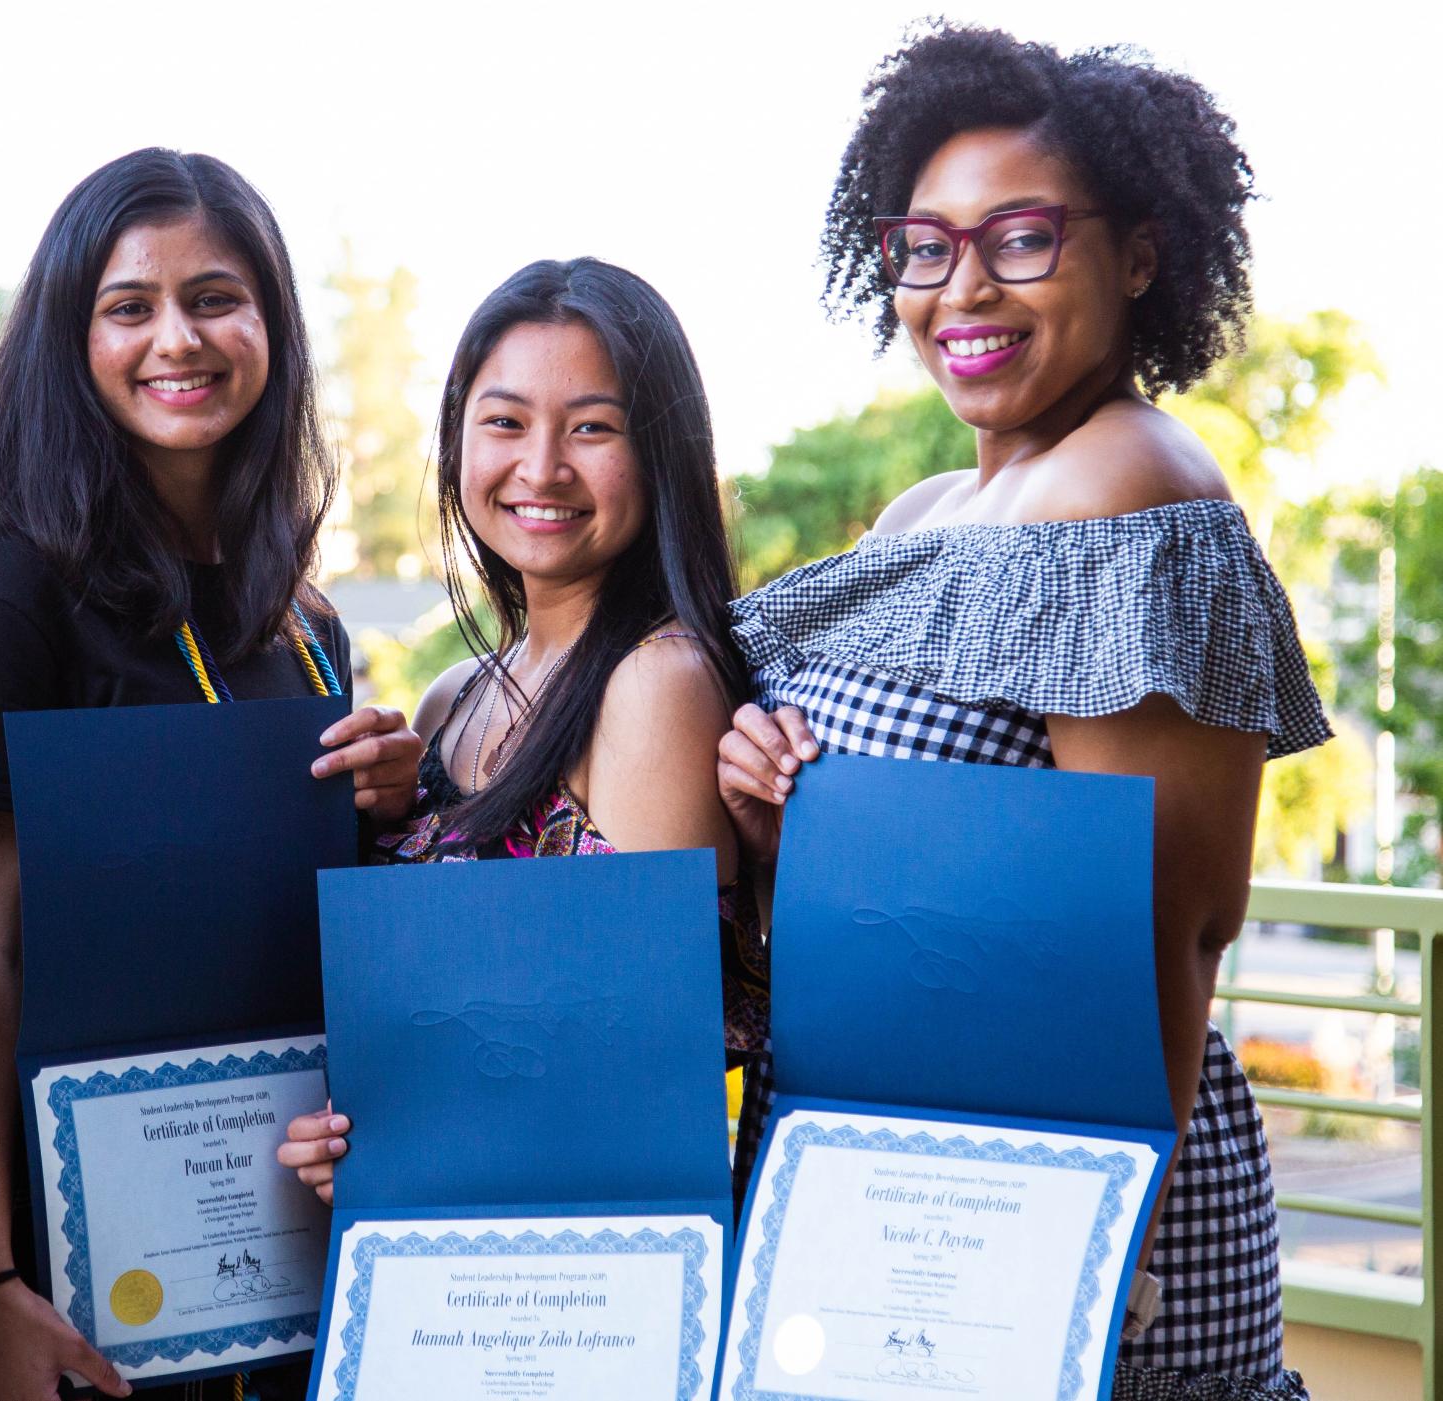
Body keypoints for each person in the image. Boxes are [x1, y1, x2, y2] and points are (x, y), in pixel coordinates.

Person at [714, 26, 1328, 1397]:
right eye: (924, 246)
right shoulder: (932, 508)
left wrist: (1104, 1286)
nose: (962, 287)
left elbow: (1171, 942)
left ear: (1142, 255)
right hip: (914, 1192)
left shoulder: (1135, 493)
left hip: (1068, 1236)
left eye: (1023, 237)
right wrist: (772, 797)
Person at [0, 148, 422, 1401]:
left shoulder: (302, 617)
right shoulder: (7, 590)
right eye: (128, 306)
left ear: (274, 329)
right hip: (74, 1255)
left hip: (285, 1233)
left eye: (215, 297)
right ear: (69, 340)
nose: (175, 338)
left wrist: (387, 798)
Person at [277, 257, 766, 1203]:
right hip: (434, 1252)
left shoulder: (656, 683)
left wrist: (415, 1149)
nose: (541, 468)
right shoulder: (451, 699)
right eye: (504, 421)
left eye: (593, 428)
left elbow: (642, 1072)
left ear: (660, 452)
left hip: (575, 1285)